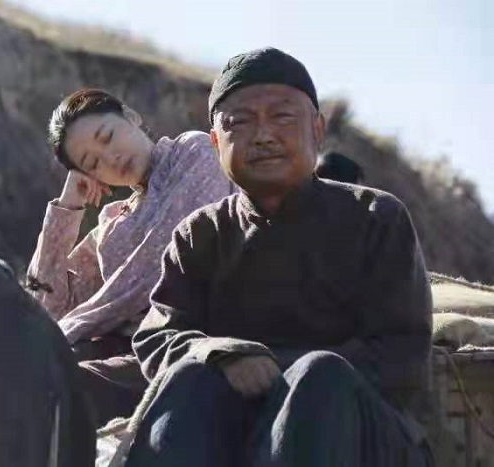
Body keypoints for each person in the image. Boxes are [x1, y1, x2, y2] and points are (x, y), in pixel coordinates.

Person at [126, 48, 433, 466]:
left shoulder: (376, 217)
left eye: (283, 117)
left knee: (320, 377)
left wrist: (275, 370)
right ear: (215, 143)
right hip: (237, 430)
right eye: (239, 122)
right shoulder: (200, 234)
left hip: (360, 436)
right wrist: (221, 352)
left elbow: (401, 356)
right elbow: (158, 336)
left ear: (317, 129)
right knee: (192, 376)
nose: (263, 135)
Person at [25, 88, 236, 426]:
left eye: (108, 137)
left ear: (131, 116)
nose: (111, 158)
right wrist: (67, 206)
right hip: (124, 348)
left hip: (187, 336)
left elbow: (166, 260)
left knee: (63, 383)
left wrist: (84, 322)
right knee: (39, 370)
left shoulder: (193, 152)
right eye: (93, 163)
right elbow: (50, 307)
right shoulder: (113, 223)